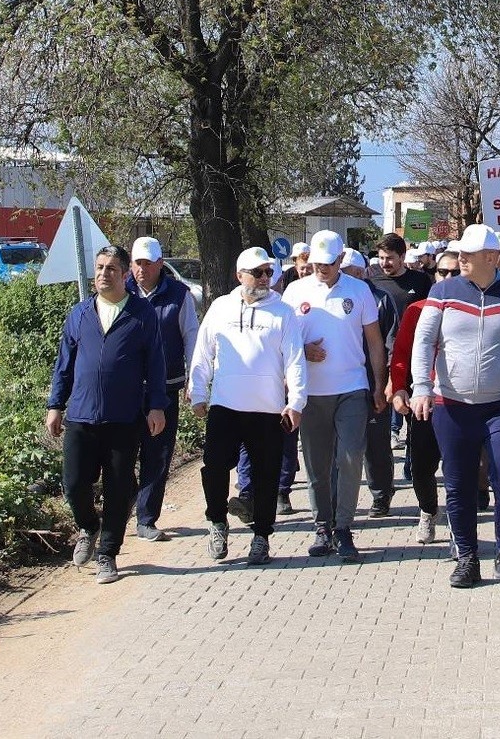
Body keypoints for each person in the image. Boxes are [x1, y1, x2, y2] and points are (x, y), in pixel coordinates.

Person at [411, 224, 500, 592]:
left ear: (491, 258)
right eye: (459, 253)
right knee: (458, 484)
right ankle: (467, 558)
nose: (460, 259)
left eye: (468, 254)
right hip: (452, 404)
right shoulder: (442, 292)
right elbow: (423, 342)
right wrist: (422, 387)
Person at [47, 245, 168, 584]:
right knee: (73, 483)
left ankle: (107, 554)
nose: (103, 274)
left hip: (123, 417)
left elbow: (155, 364)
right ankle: (88, 526)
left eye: (111, 269)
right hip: (81, 415)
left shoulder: (141, 314)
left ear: (124, 274)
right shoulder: (80, 314)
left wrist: (156, 405)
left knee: (117, 488)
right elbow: (64, 366)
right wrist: (55, 405)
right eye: (99, 268)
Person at [189, 247, 307, 565]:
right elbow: (203, 352)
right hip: (226, 405)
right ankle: (217, 522)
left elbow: (295, 360)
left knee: (266, 475)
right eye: (258, 272)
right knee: (214, 467)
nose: (265, 278)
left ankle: (261, 537)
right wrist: (197, 392)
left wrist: (295, 402)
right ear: (240, 275)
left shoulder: (283, 312)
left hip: (267, 409)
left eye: (269, 272)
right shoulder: (221, 308)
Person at [282, 230, 387, 562]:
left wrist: (379, 383)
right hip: (310, 393)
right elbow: (281, 341)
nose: (322, 269)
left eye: (328, 263)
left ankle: (343, 527)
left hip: (351, 388)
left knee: (351, 456)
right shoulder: (295, 292)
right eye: (317, 263)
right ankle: (322, 526)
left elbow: (374, 342)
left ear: (341, 259)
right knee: (317, 464)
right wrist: (301, 350)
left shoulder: (359, 291)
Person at [126, 236, 199, 543]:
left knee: (158, 454)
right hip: (126, 389)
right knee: (122, 453)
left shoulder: (179, 295)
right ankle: (130, 496)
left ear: (159, 263)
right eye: (137, 263)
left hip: (165, 387)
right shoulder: (122, 290)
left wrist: (194, 379)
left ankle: (146, 519)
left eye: (147, 263)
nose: (141, 269)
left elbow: (191, 336)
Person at [388, 251, 460, 544]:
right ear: (434, 275)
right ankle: (428, 510)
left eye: (455, 273)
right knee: (420, 466)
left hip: (461, 401)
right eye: (443, 272)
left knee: (459, 467)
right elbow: (402, 354)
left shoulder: (474, 309)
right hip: (424, 400)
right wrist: (399, 388)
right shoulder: (417, 309)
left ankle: (459, 522)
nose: (448, 278)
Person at [339, 247, 399, 517]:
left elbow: (390, 343)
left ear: (362, 272)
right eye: (342, 272)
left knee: (376, 444)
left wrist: (385, 381)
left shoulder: (379, 299)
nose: (344, 277)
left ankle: (381, 494)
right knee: (342, 446)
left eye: (350, 272)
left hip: (372, 381)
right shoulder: (326, 297)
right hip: (341, 384)